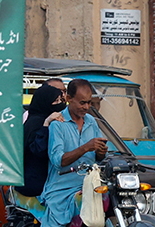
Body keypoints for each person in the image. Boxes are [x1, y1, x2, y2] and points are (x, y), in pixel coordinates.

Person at [41, 79, 108, 227]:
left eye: (89, 103)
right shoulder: (58, 124)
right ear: (68, 99)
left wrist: (101, 152)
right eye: (82, 102)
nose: (86, 107)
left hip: (90, 185)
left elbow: (98, 159)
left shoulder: (91, 121)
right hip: (62, 189)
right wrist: (86, 147)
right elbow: (58, 161)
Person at [16, 82, 67, 198]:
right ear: (45, 103)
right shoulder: (36, 122)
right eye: (56, 101)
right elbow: (38, 149)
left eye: (60, 101)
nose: (60, 105)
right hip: (33, 185)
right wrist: (45, 124)